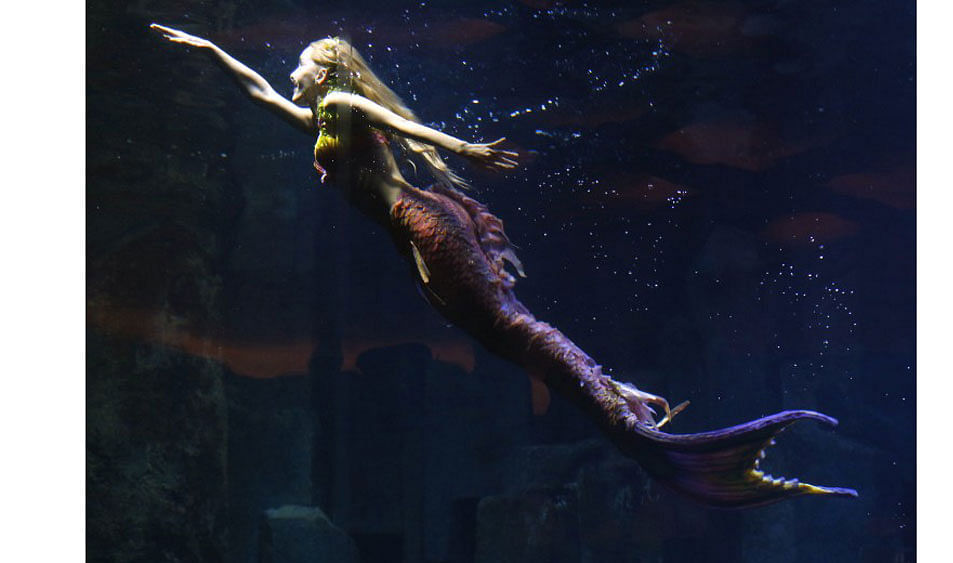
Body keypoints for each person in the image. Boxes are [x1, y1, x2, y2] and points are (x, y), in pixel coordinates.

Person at [151, 23, 856, 507]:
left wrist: (468, 152)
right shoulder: (319, 121)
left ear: (327, 71)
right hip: (413, 231)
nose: (292, 77)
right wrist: (210, 48)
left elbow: (409, 129)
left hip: (424, 222)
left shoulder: (341, 100)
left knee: (506, 326)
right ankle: (618, 397)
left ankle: (622, 411)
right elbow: (256, 93)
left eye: (300, 67)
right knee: (502, 329)